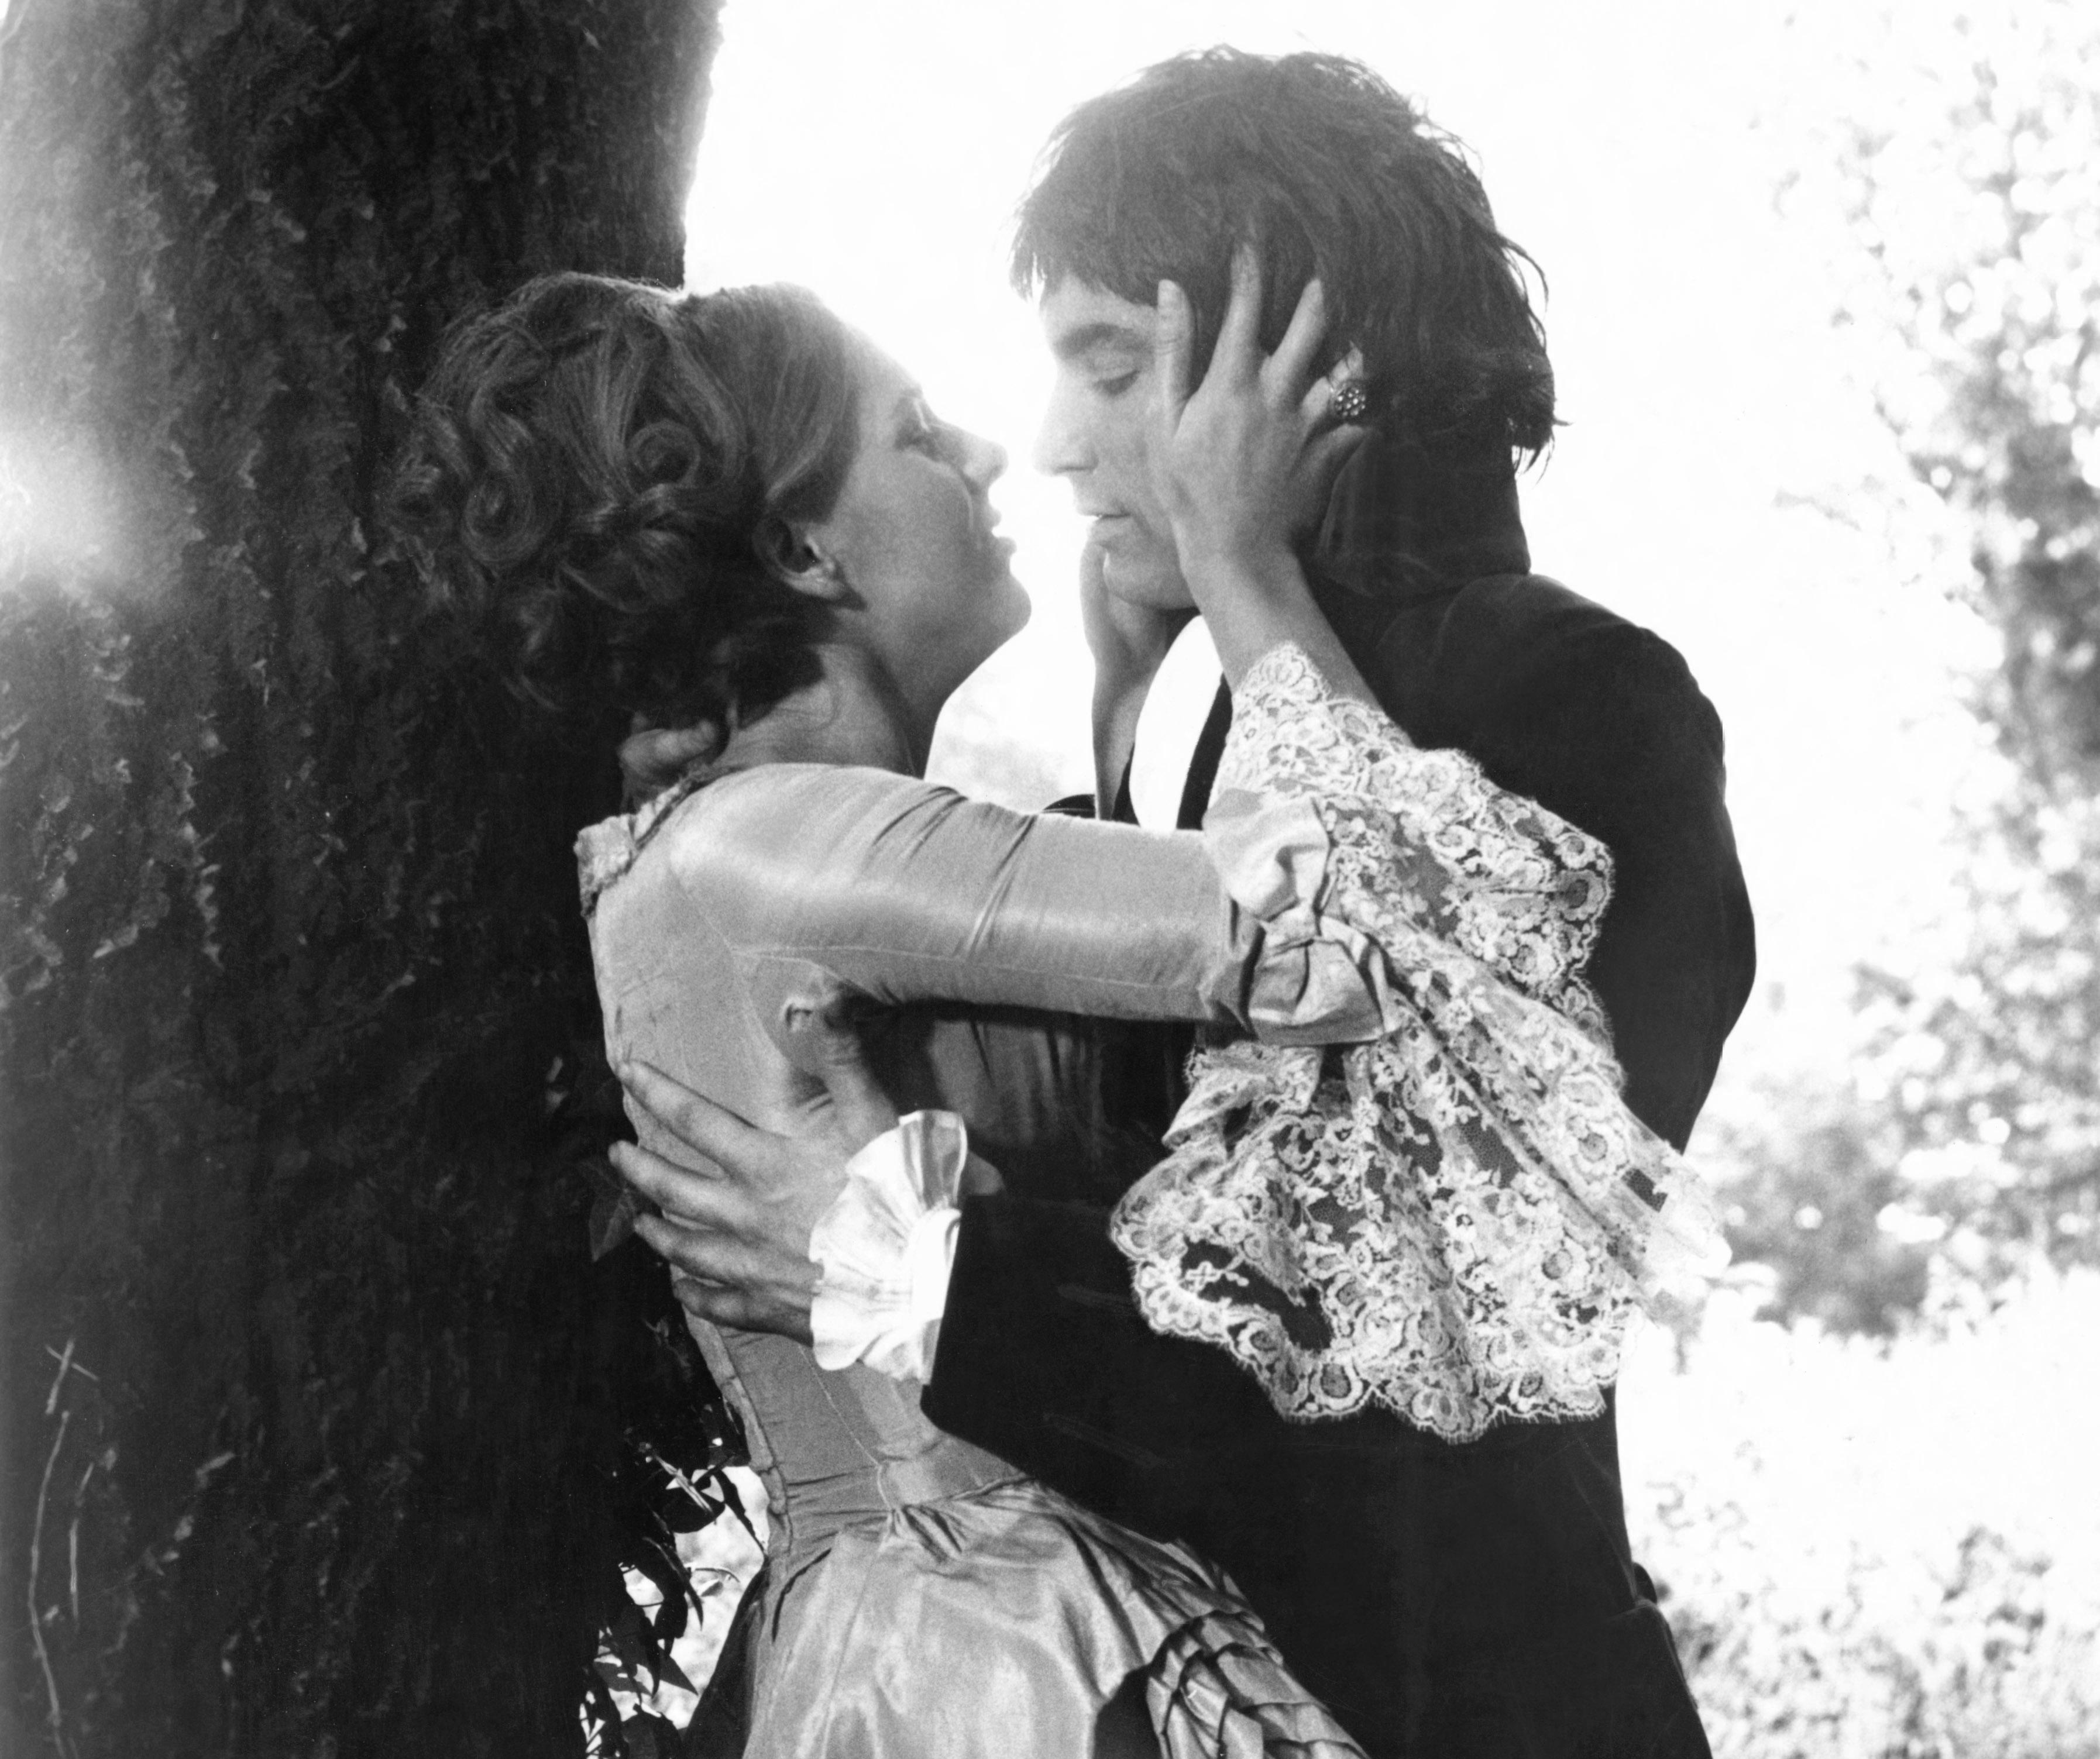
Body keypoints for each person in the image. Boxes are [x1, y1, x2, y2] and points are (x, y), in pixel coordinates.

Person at [613, 47, 1757, 1759]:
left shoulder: (1578, 698)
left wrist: (897, 1273)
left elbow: (1396, 1348)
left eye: (1115, 365)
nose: (1060, 445)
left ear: (1323, 370)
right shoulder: (1179, 726)